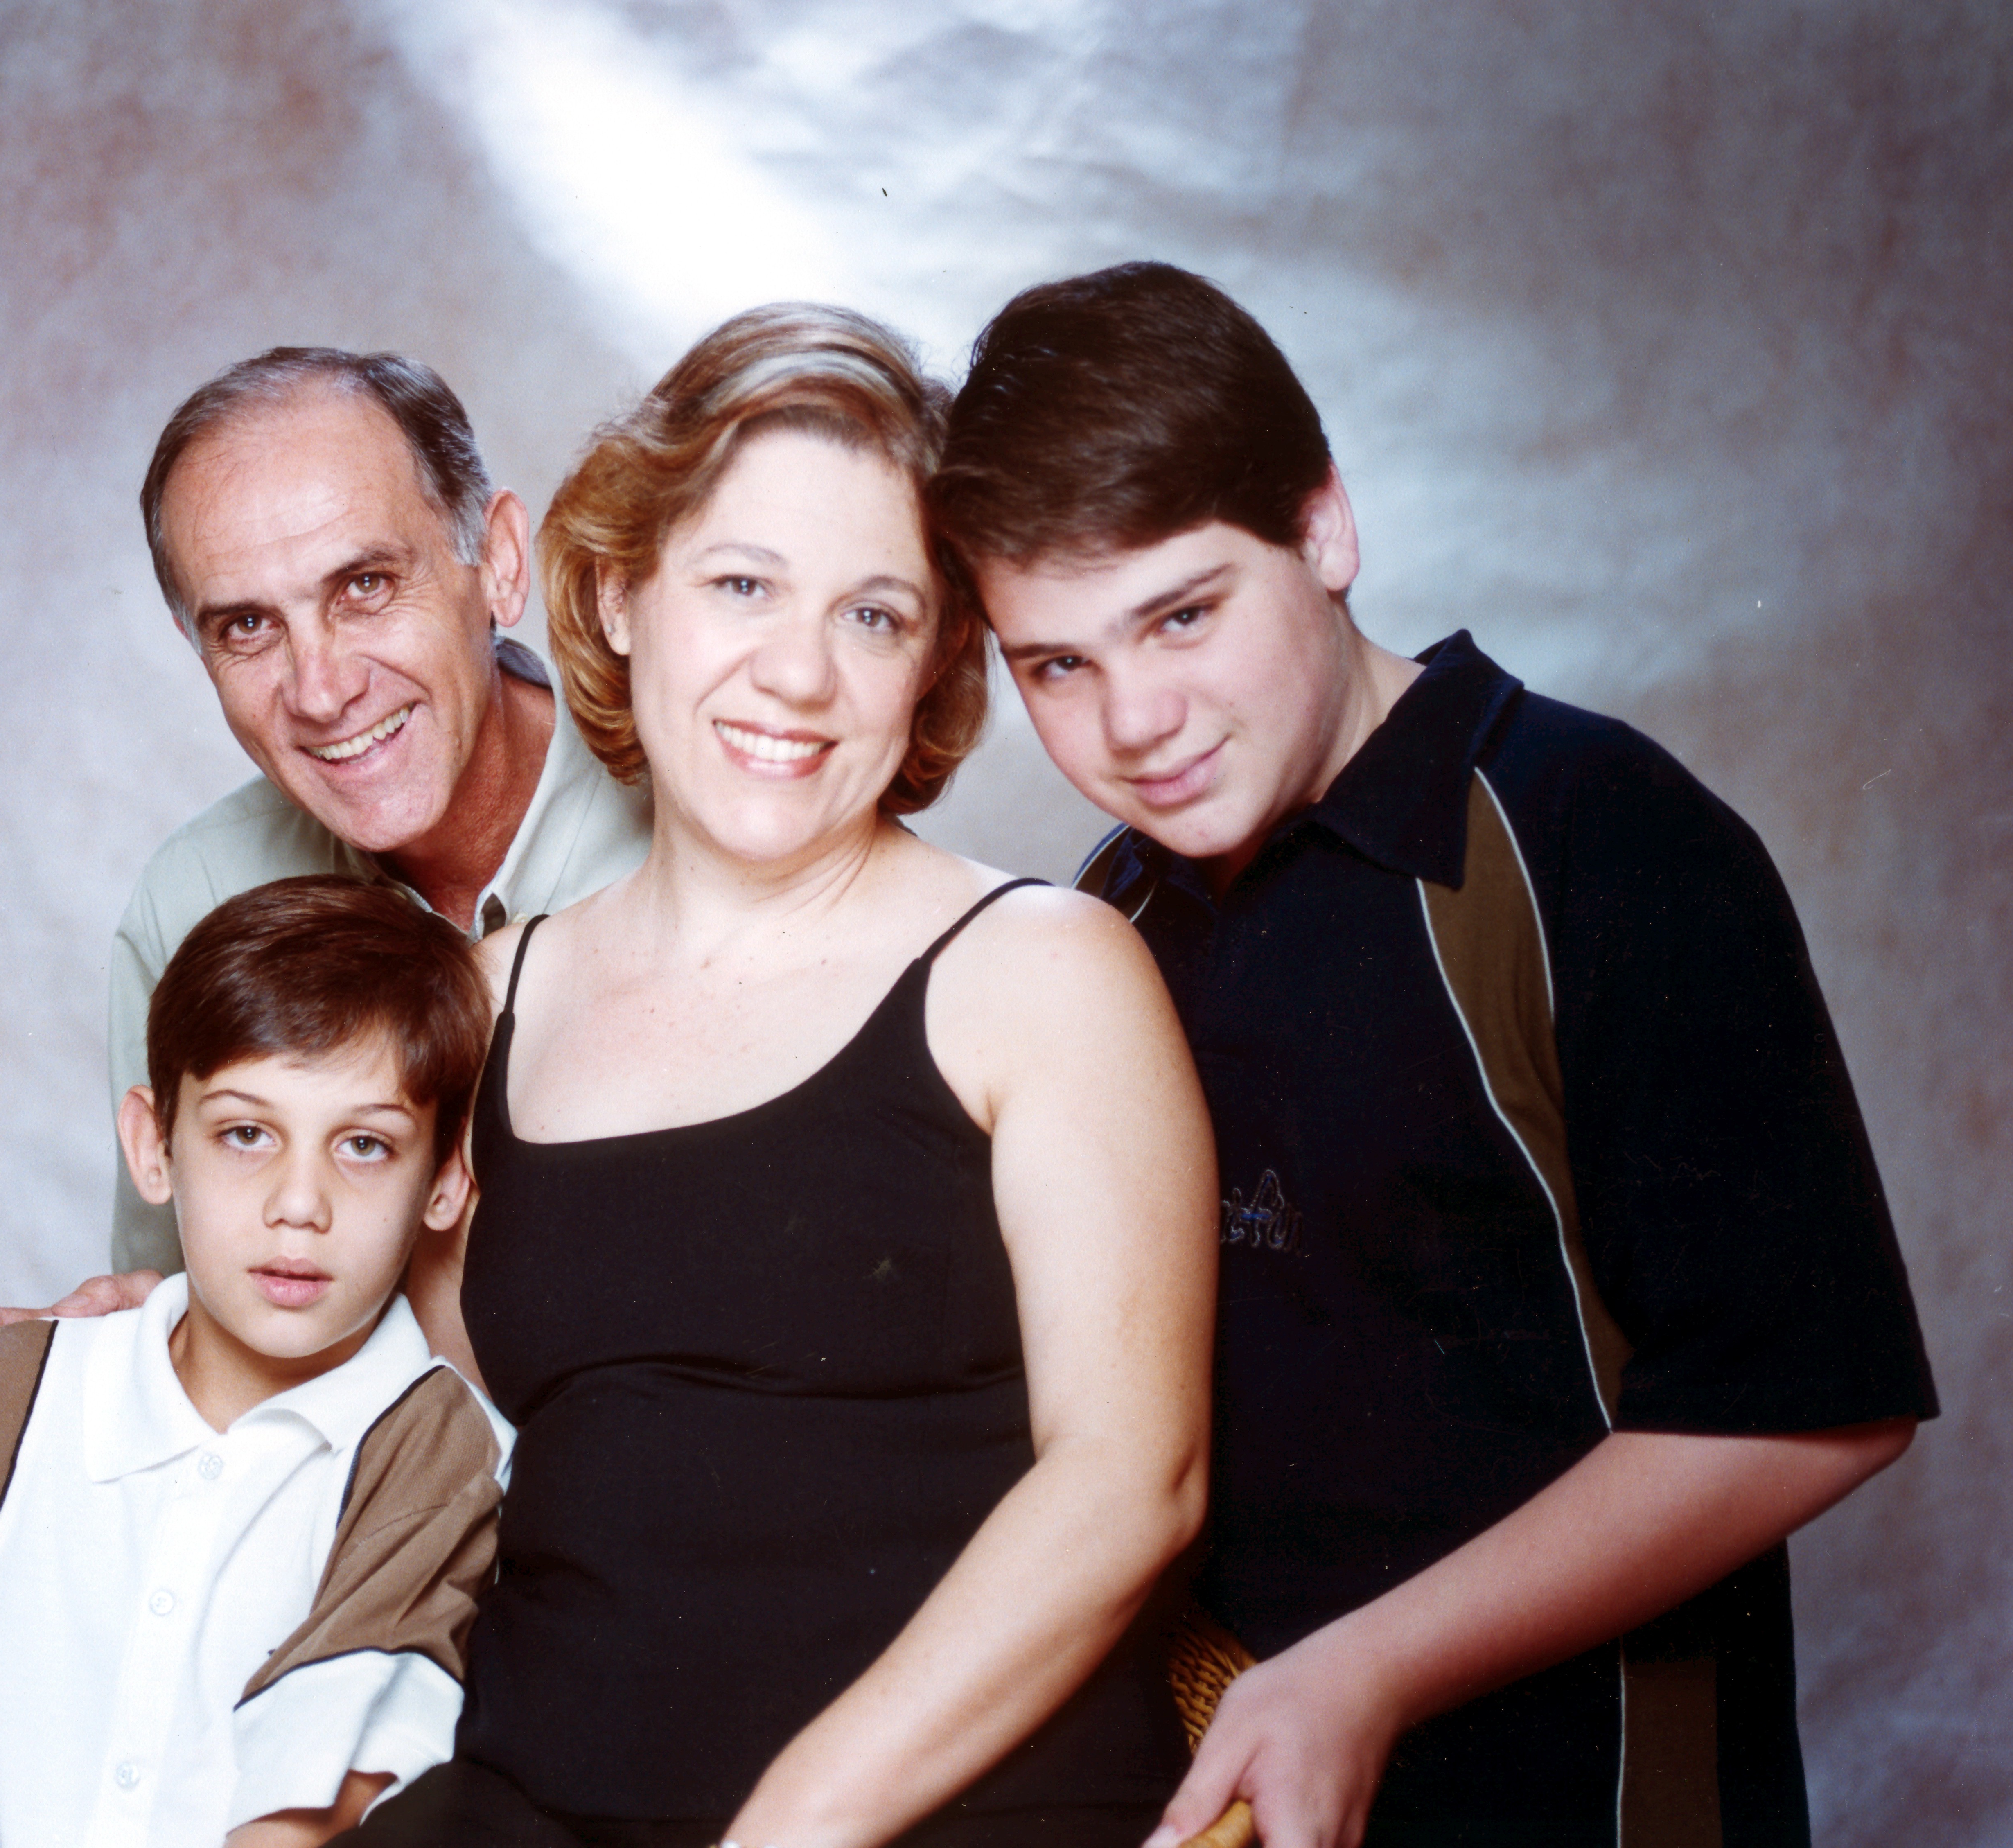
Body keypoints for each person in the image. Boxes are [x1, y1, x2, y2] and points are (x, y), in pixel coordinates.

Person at [927, 261, 1938, 1848]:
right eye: (1054, 664)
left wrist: (1364, 1673)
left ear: (1322, 531)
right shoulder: (1102, 914)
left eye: (1182, 614)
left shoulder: (1599, 839)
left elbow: (1803, 1408)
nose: (1134, 719)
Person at [332, 302, 1217, 1848]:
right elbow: (358, 1402)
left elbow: (1133, 1478)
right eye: (742, 584)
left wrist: (787, 1828)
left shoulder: (1044, 970)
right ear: (616, 594)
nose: (797, 674)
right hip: (528, 1806)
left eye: (873, 615)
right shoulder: (479, 999)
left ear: (937, 657)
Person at [0, 878, 510, 1848]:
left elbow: (301, 1818)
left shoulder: (443, 1460)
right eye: (246, 1133)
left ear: (445, 1182)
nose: (299, 1202)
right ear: (154, 1142)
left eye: (365, 1144)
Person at [102, 347, 653, 1280]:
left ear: (501, 564)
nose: (320, 691)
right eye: (247, 626)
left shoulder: (702, 830)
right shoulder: (192, 898)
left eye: (365, 585)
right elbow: (176, 1303)